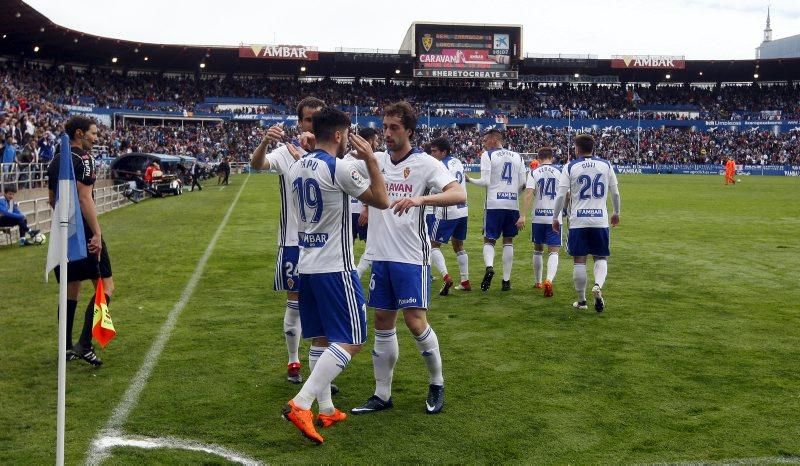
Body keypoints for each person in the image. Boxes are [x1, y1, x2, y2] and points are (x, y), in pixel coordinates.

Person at [282, 107, 389, 444]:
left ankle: (326, 409)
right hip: (335, 266)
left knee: (322, 339)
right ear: (341, 135)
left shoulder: (299, 164)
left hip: (307, 265)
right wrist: (371, 159)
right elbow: (382, 201)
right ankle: (302, 403)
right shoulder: (338, 166)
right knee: (352, 340)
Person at [352, 101, 466, 416]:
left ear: (409, 132)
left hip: (411, 258)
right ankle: (382, 394)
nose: (387, 133)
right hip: (382, 257)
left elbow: (459, 194)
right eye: (385, 127)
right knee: (382, 322)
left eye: (394, 128)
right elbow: (340, 167)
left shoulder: (426, 163)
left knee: (415, 322)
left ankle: (437, 382)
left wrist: (420, 198)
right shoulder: (374, 160)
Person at [250, 97, 325, 384]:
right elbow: (257, 165)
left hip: (325, 243)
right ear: (300, 123)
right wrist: (265, 142)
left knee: (322, 305)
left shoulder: (332, 153)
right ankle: (294, 361)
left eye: (318, 118)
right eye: (308, 119)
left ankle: (320, 369)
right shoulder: (285, 152)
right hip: (293, 242)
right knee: (294, 304)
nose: (313, 124)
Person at [47, 115, 114, 365]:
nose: (96, 139)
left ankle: (65, 346)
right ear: (79, 133)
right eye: (93, 134)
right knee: (106, 288)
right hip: (85, 232)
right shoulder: (84, 159)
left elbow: (51, 200)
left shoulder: (56, 160)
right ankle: (85, 344)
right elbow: (85, 198)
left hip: (65, 231)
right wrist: (96, 232)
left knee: (70, 287)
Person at [552, 134, 620, 312]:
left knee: (579, 260)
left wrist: (555, 217)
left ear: (577, 149)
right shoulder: (606, 165)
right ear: (593, 147)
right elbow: (615, 192)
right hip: (599, 219)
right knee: (600, 256)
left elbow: (561, 195)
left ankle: (582, 301)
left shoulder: (570, 166)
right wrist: (616, 212)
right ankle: (597, 285)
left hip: (578, 220)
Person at [466, 129, 525, 292]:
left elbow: (485, 181)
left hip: (494, 204)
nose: (484, 144)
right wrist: (513, 195)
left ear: (493, 140)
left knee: (489, 240)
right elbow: (523, 184)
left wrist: (469, 179)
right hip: (512, 205)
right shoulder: (518, 156)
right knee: (508, 240)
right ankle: (506, 281)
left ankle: (490, 267)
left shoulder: (488, 155)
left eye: (485, 140)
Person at [427, 137, 471, 294]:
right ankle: (465, 281)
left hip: (448, 211)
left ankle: (446, 277)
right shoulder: (457, 162)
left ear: (443, 152)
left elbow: (442, 189)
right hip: (463, 210)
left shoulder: (440, 165)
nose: (432, 154)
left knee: (433, 244)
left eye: (434, 151)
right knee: (458, 245)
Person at [520, 147, 562, 297]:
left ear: (538, 157)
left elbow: (528, 194)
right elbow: (567, 195)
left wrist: (523, 215)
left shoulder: (533, 172)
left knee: (538, 249)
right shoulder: (560, 171)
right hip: (554, 217)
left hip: (538, 216)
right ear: (552, 157)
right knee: (554, 250)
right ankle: (549, 280)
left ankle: (538, 281)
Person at [349, 127, 379, 278]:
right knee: (374, 244)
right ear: (371, 141)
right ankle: (356, 275)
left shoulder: (346, 156)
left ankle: (351, 273)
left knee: (348, 244)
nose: (377, 143)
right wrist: (366, 208)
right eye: (376, 140)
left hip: (348, 210)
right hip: (362, 209)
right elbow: (371, 183)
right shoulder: (369, 160)